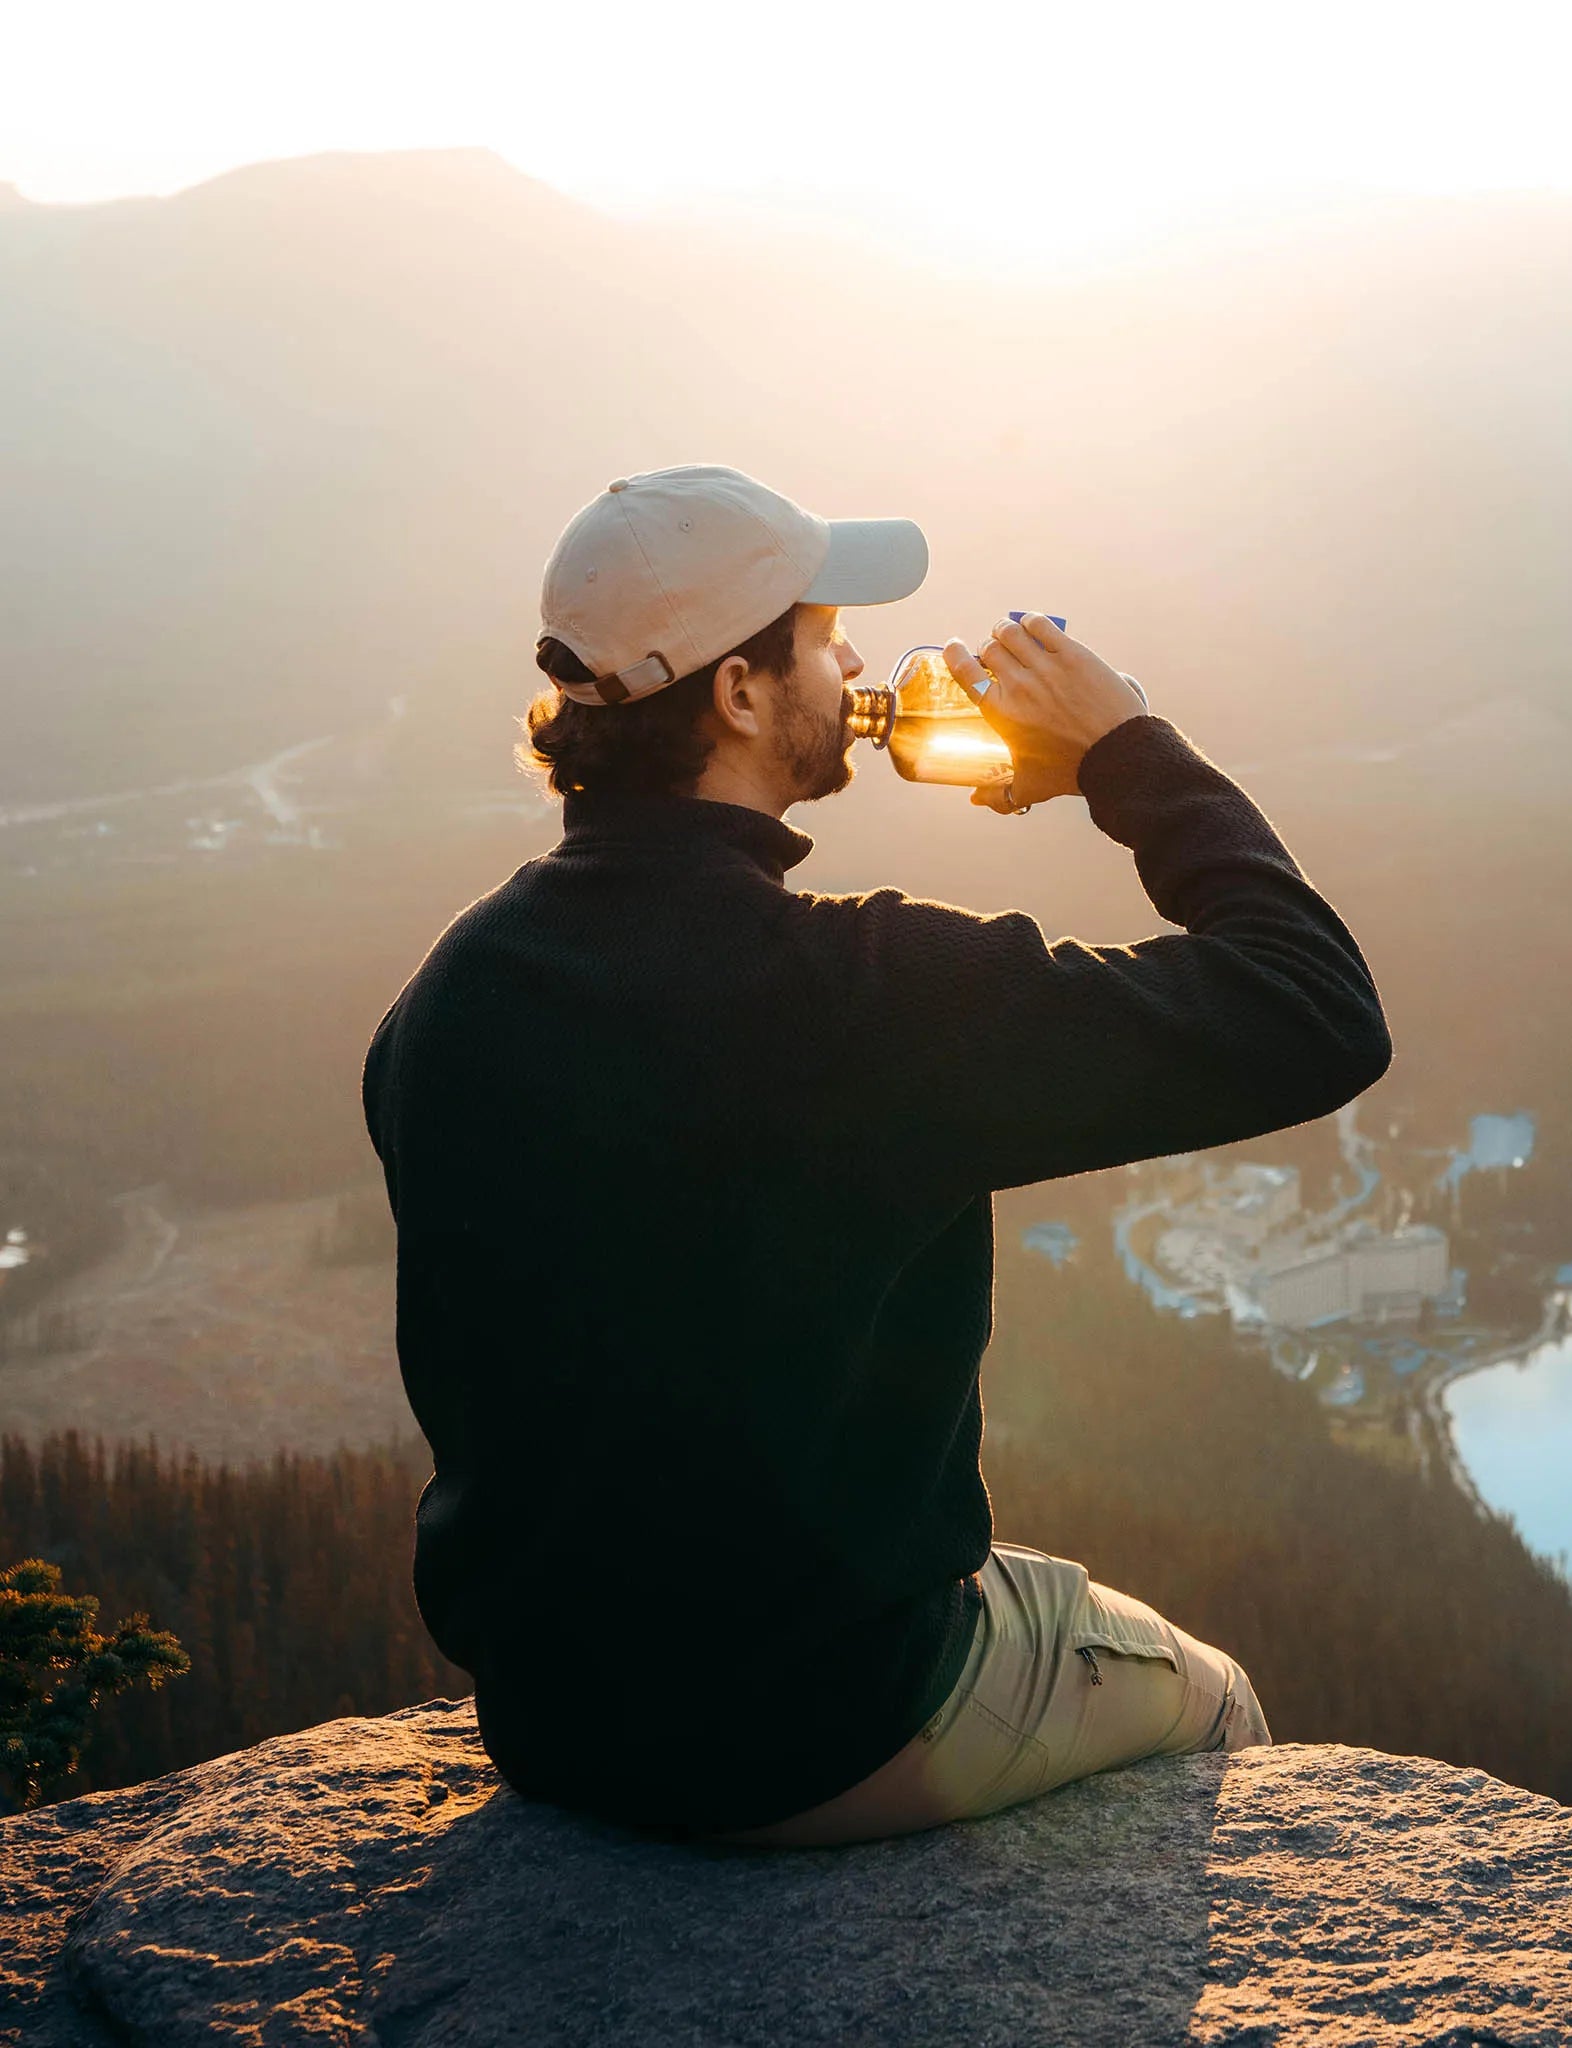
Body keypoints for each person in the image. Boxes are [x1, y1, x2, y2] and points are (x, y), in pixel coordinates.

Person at [361, 464, 1392, 1845]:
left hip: (555, 1723)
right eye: (824, 634)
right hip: (822, 1722)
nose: (857, 663)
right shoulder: (859, 995)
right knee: (1207, 1697)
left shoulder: (451, 992)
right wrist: (1124, 754)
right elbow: (1311, 1010)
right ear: (737, 693)